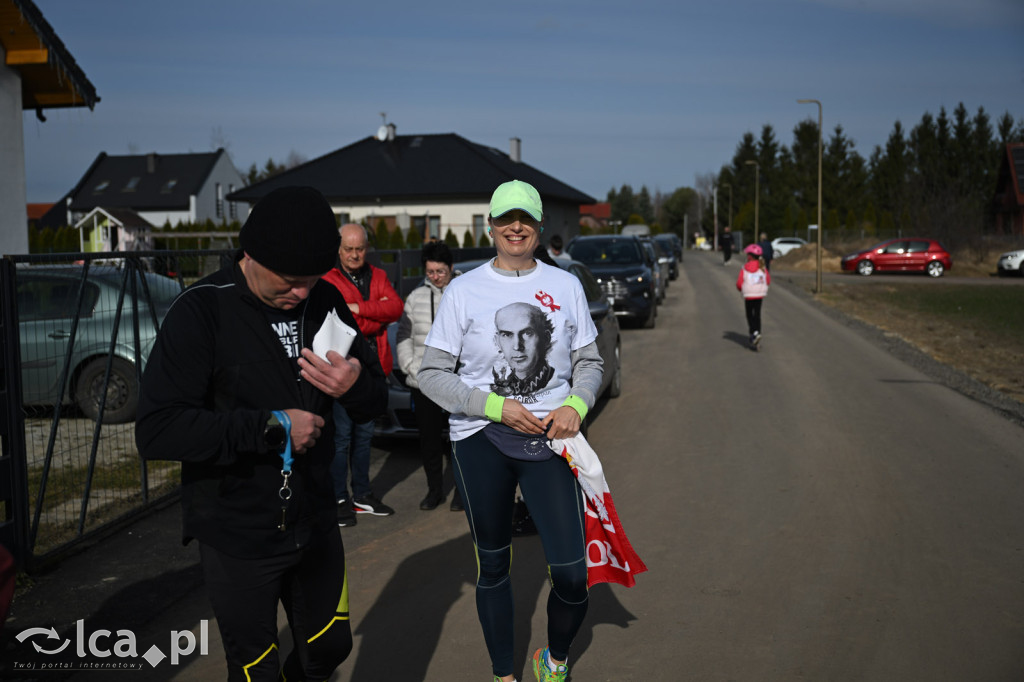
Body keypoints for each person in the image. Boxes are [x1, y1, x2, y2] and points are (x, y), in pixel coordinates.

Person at [136, 186, 388, 681]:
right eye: (291, 281)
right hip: (238, 532)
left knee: (330, 648)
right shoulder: (202, 310)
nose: (301, 293)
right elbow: (157, 429)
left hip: (315, 519)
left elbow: (374, 398)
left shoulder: (327, 298)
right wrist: (272, 428)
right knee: (255, 670)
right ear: (251, 255)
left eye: (311, 281)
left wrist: (354, 384)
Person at [418, 179, 604, 682]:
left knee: (571, 574)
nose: (514, 227)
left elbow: (590, 363)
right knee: (494, 566)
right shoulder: (463, 290)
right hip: (480, 438)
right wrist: (495, 406)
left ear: (539, 226)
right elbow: (430, 373)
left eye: (523, 218)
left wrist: (575, 404)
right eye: (505, 219)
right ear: (491, 226)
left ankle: (555, 658)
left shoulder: (565, 286)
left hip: (552, 439)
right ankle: (504, 674)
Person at [322, 223, 403, 525]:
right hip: (344, 370)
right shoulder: (328, 281)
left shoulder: (379, 275)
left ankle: (362, 494)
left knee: (365, 436)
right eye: (348, 249)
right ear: (339, 250)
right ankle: (339, 497)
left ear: (366, 248)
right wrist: (374, 314)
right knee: (342, 437)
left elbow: (395, 308)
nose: (355, 255)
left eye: (359, 249)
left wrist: (358, 308)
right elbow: (346, 324)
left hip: (374, 369)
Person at [395, 241, 463, 511]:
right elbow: (403, 337)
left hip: (459, 383)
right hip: (424, 384)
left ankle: (462, 491)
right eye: (430, 272)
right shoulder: (415, 298)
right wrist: (412, 368)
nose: (435, 277)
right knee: (430, 441)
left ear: (451, 268)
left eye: (440, 272)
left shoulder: (464, 293)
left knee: (461, 439)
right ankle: (434, 490)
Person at [737, 242, 771, 351]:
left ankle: (754, 333)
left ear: (749, 256)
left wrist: (740, 289)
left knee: (749, 315)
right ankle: (757, 335)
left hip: (748, 295)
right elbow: (768, 280)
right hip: (759, 294)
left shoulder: (745, 268)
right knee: (757, 315)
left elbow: (739, 283)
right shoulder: (762, 267)